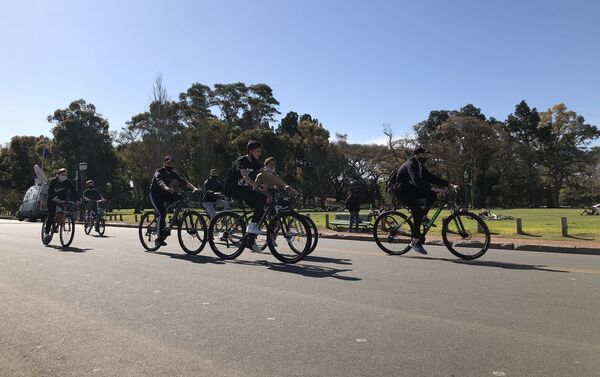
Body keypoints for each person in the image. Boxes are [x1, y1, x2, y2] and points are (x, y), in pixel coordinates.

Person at [389, 147, 457, 255]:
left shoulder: (421, 166)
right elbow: (416, 180)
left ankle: (423, 217)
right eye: (423, 155)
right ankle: (415, 241)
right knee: (417, 211)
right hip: (401, 191)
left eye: (426, 155)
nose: (425, 157)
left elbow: (431, 178)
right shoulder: (411, 164)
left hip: (411, 190)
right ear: (416, 155)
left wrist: (449, 184)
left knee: (432, 195)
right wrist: (434, 188)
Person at [225, 140, 266, 252]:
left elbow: (267, 174)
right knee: (261, 198)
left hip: (244, 189)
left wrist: (284, 185)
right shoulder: (241, 160)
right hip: (233, 189)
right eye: (258, 151)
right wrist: (257, 187)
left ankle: (250, 240)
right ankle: (252, 227)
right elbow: (245, 177)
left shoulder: (255, 162)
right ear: (251, 151)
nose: (260, 153)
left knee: (261, 207)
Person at [150, 155, 200, 246]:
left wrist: (194, 188)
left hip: (166, 193)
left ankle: (174, 218)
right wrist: (167, 188)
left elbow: (183, 181)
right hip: (155, 194)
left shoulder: (173, 173)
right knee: (162, 212)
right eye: (168, 163)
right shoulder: (159, 172)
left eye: (172, 164)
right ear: (164, 163)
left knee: (180, 197)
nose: (170, 165)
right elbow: (160, 182)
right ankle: (159, 239)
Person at [43, 168, 80, 243]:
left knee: (64, 211)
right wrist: (55, 198)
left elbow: (73, 190)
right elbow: (50, 191)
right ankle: (47, 232)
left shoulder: (67, 182)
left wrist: (78, 199)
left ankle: (58, 223)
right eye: (62, 175)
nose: (64, 176)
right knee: (51, 215)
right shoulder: (53, 181)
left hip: (62, 199)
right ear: (58, 175)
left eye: (65, 175)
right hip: (52, 199)